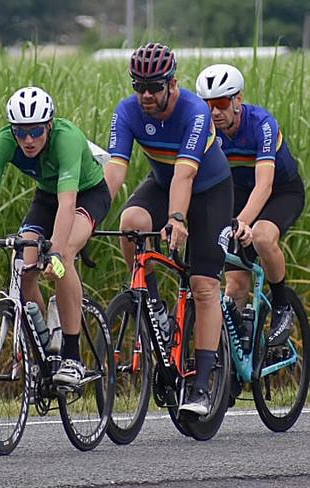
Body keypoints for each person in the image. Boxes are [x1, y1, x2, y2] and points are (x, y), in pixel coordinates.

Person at [104, 43, 233, 415]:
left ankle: (203, 385)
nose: (145, 94)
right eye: (139, 86)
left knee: (204, 285)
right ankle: (153, 302)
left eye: (154, 86)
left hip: (208, 191)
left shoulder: (194, 111)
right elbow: (114, 171)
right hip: (162, 183)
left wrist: (177, 218)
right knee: (131, 222)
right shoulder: (128, 111)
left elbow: (186, 172)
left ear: (172, 84)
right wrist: (88, 216)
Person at [0, 86, 111, 386]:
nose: (27, 140)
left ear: (48, 126)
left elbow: (68, 203)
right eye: (20, 132)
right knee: (25, 267)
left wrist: (55, 250)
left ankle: (72, 356)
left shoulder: (67, 138)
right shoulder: (2, 142)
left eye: (36, 131)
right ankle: (45, 346)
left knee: (63, 257)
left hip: (86, 195)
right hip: (47, 197)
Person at [196, 64, 305, 347]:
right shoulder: (204, 129)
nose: (215, 112)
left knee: (262, 237)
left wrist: (241, 222)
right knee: (235, 287)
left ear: (237, 100)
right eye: (207, 105)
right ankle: (233, 367)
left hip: (280, 191)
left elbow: (265, 185)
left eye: (221, 103)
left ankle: (282, 307)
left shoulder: (261, 124)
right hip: (237, 193)